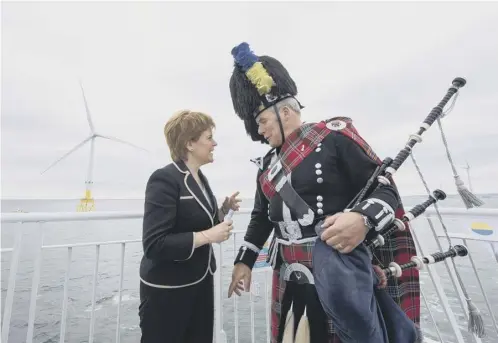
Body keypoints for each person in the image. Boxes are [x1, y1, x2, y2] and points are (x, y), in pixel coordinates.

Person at [227, 42, 421, 343]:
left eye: (263, 121)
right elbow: (260, 218)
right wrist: (244, 261)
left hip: (337, 276)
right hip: (289, 276)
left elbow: (385, 192)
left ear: (286, 110)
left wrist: (362, 220)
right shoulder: (266, 166)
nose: (260, 131)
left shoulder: (333, 137)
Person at [139, 109, 241, 343]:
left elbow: (198, 221)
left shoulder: (200, 179)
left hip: (200, 283)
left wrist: (223, 210)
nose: (214, 143)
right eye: (208, 138)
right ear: (190, 144)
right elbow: (154, 244)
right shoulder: (164, 179)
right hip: (168, 292)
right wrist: (208, 236)